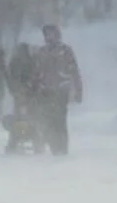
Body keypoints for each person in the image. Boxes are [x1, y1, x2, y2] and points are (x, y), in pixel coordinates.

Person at [34, 24, 83, 156]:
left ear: (57, 34)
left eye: (51, 33)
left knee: (60, 120)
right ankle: (54, 147)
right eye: (46, 34)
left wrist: (79, 91)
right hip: (45, 92)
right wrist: (35, 88)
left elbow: (74, 71)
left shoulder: (65, 50)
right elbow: (37, 72)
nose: (48, 36)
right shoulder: (42, 51)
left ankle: (62, 148)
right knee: (48, 121)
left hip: (61, 91)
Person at [4, 42, 43, 153]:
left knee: (25, 119)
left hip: (24, 95)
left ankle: (15, 143)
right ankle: (34, 142)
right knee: (28, 120)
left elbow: (10, 78)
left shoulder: (18, 62)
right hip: (25, 95)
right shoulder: (29, 62)